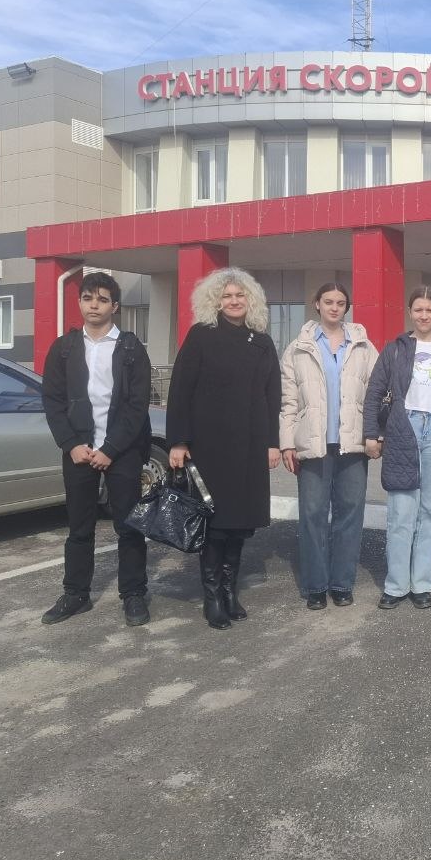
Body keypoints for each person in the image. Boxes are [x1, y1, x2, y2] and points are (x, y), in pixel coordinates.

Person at [167, 267, 281, 630]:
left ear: (251, 300)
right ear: (216, 301)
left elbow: (272, 396)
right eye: (227, 296)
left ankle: (231, 590)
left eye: (239, 295)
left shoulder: (261, 341)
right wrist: (178, 440)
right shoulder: (202, 336)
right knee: (215, 523)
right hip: (210, 445)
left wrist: (272, 443)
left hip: (249, 445)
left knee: (239, 523)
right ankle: (213, 596)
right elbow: (181, 389)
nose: (234, 301)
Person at [40, 272, 152, 627]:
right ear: (80, 302)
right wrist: (71, 444)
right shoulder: (64, 348)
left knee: (129, 526)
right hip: (79, 451)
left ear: (114, 306)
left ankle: (133, 594)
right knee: (79, 527)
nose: (94, 305)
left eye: (102, 300)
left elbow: (137, 405)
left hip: (122, 451)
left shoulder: (131, 348)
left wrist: (111, 448)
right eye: (88, 298)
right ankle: (76, 593)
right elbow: (53, 401)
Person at [363, 287, 431, 609]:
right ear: (410, 312)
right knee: (401, 511)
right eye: (418, 310)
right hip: (403, 429)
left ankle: (422, 584)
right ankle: (396, 585)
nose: (424, 315)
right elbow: (374, 392)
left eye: (430, 310)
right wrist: (371, 433)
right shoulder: (395, 349)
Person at [280, 282, 378, 610]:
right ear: (317, 304)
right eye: (328, 302)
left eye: (340, 302)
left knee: (350, 514)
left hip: (353, 445)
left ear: (346, 307)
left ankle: (341, 584)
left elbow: (377, 395)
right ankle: (316, 586)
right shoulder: (298, 349)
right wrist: (286, 444)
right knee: (313, 515)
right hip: (313, 445)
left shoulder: (364, 346)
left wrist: (376, 435)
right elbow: (288, 403)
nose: (334, 307)